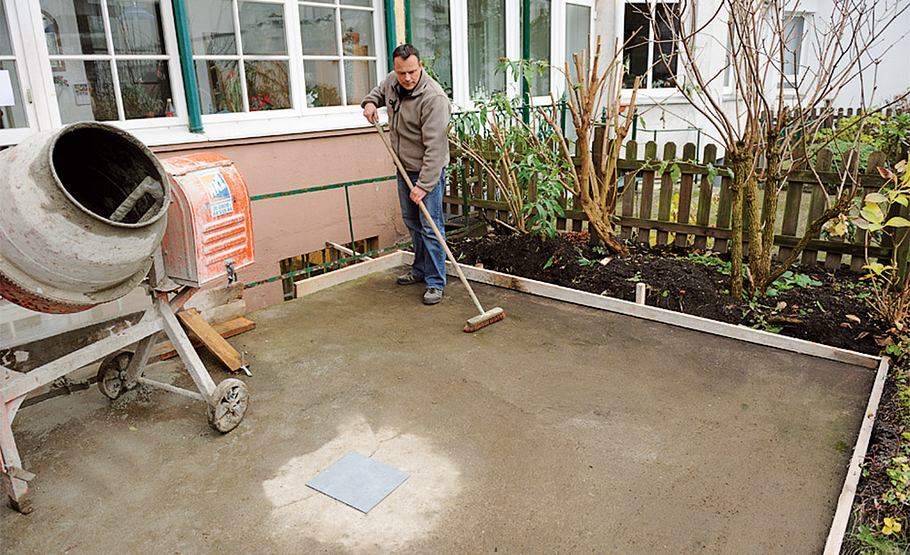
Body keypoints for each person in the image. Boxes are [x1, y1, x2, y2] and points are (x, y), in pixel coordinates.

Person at [361, 44, 451, 305]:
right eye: (402, 73)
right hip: (403, 167)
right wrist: (369, 103)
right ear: (395, 69)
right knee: (412, 222)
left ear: (420, 66)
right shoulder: (392, 81)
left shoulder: (433, 98)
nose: (407, 78)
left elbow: (436, 148)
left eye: (412, 71)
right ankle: (421, 270)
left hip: (427, 172)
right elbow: (377, 93)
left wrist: (423, 185)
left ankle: (436, 282)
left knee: (430, 226)